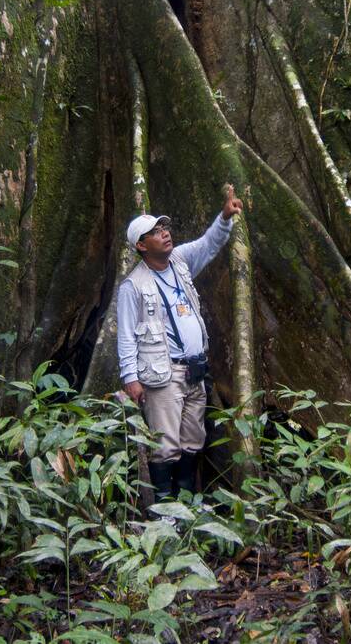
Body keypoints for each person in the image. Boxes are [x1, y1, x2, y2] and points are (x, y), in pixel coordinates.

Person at [117, 189, 243, 502]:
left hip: (195, 371)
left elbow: (209, 244)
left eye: (165, 229)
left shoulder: (181, 262)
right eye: (155, 233)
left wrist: (225, 217)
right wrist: (130, 379)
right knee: (165, 446)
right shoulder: (133, 285)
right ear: (142, 246)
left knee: (192, 440)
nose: (165, 234)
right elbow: (125, 335)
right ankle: (164, 513)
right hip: (163, 376)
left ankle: (186, 506)